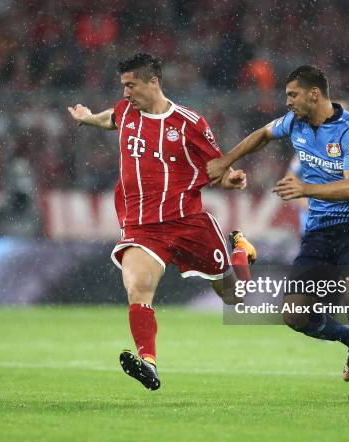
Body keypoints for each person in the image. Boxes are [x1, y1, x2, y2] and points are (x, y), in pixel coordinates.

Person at [68, 53, 256, 391]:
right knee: (138, 288)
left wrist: (231, 179)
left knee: (235, 298)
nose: (125, 93)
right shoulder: (127, 111)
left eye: (131, 85)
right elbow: (112, 118)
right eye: (122, 86)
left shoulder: (190, 123)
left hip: (188, 223)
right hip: (141, 226)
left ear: (153, 82)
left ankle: (240, 250)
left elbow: (216, 168)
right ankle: (149, 364)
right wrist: (88, 118)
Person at [207, 65, 349, 405]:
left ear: (313, 93)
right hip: (318, 232)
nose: (287, 102)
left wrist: (305, 187)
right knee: (295, 315)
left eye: (292, 95)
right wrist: (227, 160)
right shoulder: (296, 124)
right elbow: (261, 134)